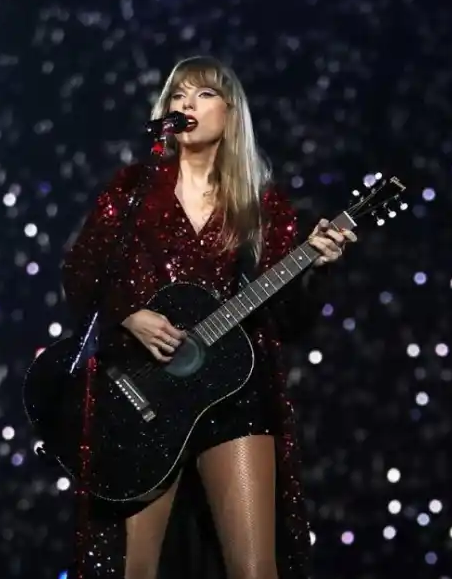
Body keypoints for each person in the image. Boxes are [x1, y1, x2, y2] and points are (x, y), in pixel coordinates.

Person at [60, 55, 357, 579]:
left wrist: (314, 269)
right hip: (147, 397)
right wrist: (129, 315)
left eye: (203, 95)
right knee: (136, 569)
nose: (187, 105)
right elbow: (80, 274)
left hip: (234, 394)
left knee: (255, 569)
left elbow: (289, 321)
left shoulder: (262, 207)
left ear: (230, 112)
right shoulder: (130, 190)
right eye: (178, 95)